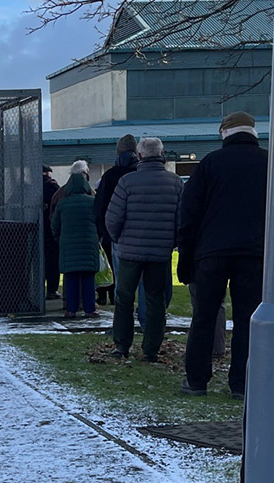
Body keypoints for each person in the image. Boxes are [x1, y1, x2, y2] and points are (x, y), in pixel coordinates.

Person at [177, 111, 268, 399]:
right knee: (247, 319)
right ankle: (242, 383)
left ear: (224, 133)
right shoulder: (271, 162)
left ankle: (197, 379)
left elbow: (189, 213)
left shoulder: (210, 164)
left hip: (211, 251)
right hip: (254, 251)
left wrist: (186, 258)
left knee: (204, 316)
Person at [105, 137, 183, 362]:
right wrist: (172, 242)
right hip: (160, 252)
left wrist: (120, 238)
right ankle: (151, 349)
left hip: (130, 250)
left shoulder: (127, 182)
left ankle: (122, 345)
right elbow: (182, 220)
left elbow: (113, 218)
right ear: (162, 155)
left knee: (124, 298)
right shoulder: (176, 183)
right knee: (155, 300)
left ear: (139, 156)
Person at [93, 135, 140, 306]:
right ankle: (146, 318)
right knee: (148, 283)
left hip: (117, 233)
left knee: (119, 276)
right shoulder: (142, 173)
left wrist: (103, 231)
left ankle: (121, 317)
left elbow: (100, 207)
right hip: (143, 233)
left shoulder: (110, 176)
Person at [51, 161, 100, 318]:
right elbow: (100, 222)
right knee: (88, 278)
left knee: (71, 278)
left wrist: (60, 239)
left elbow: (54, 225)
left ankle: (70, 309)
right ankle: (90, 308)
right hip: (89, 246)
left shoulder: (63, 203)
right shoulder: (93, 202)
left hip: (68, 246)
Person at [42, 165, 62, 300]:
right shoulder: (53, 187)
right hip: (51, 229)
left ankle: (35, 290)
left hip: (35, 228)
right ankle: (51, 290)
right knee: (52, 261)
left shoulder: (29, 188)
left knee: (36, 261)